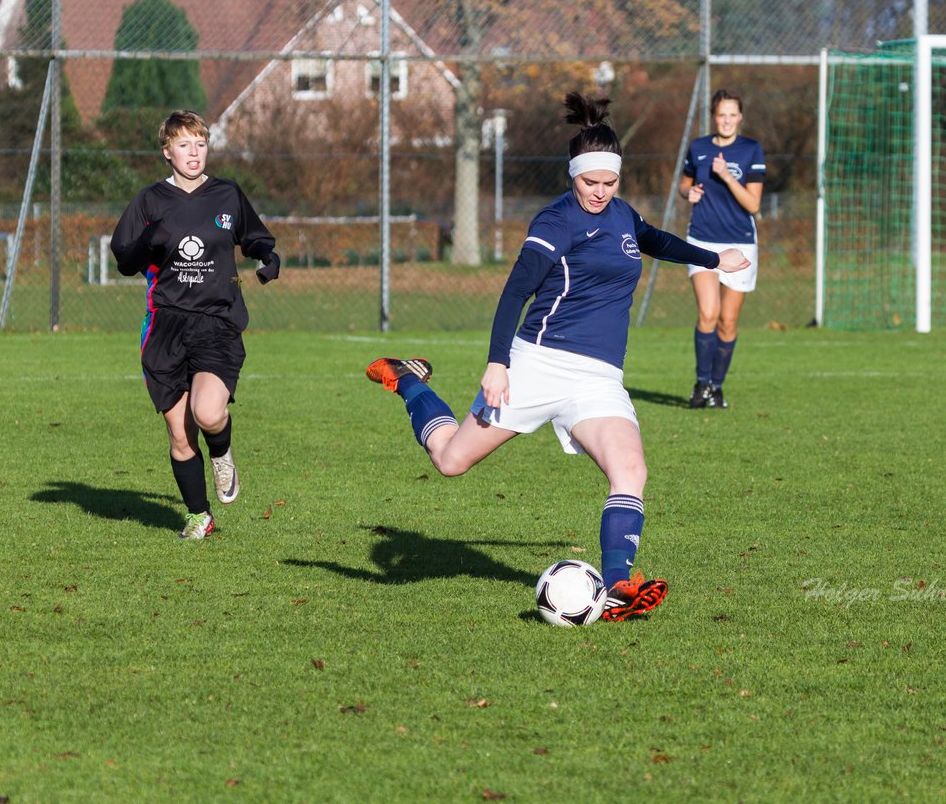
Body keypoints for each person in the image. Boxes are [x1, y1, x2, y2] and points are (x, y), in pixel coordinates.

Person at [366, 92, 748, 620]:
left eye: (609, 183)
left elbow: (654, 238)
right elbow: (515, 291)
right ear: (573, 175)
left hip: (597, 380)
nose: (599, 192)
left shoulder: (622, 216)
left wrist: (712, 257)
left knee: (630, 470)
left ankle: (618, 587)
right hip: (535, 365)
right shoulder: (556, 221)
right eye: (590, 182)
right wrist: (497, 362)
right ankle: (409, 379)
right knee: (451, 460)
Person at [111, 110, 280, 540]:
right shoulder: (150, 201)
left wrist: (267, 256)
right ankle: (198, 515)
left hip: (217, 322)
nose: (194, 152)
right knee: (180, 433)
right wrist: (148, 240)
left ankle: (222, 454)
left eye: (200, 144)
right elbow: (125, 260)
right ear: (166, 152)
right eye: (184, 144)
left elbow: (254, 234)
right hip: (164, 327)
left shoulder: (227, 194)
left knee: (208, 412)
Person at [678, 89, 766, 409]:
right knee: (708, 313)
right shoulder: (698, 148)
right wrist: (688, 193)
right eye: (721, 115)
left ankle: (717, 387)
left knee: (727, 321)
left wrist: (728, 177)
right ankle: (701, 385)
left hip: (740, 242)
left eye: (732, 114)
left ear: (740, 117)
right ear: (714, 117)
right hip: (701, 238)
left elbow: (753, 204)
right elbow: (684, 184)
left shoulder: (751, 150)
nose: (727, 120)